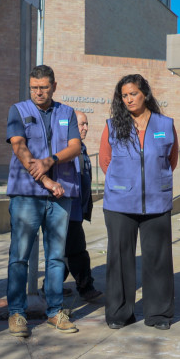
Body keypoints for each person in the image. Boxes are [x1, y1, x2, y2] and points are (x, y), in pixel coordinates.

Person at [5, 65, 82, 338]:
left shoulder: (67, 113)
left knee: (56, 257)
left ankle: (55, 312)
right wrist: (46, 179)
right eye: (34, 87)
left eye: (44, 87)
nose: (38, 92)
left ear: (54, 86)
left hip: (61, 196)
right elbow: (19, 146)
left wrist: (50, 161)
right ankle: (17, 313)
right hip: (27, 194)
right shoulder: (18, 110)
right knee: (20, 257)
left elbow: (75, 146)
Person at [101, 74, 179, 330]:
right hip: (120, 204)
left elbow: (172, 160)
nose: (129, 99)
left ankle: (158, 315)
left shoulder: (165, 124)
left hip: (157, 203)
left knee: (158, 259)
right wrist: (126, 184)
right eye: (124, 95)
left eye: (133, 93)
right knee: (120, 260)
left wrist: (153, 183)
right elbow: (105, 162)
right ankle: (118, 314)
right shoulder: (113, 126)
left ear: (145, 93)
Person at [64, 111, 103, 302]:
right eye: (81, 124)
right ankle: (86, 287)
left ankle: (50, 286)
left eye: (87, 124)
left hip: (78, 211)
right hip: (67, 211)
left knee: (64, 253)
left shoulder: (83, 148)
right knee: (78, 251)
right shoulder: (66, 148)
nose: (85, 128)